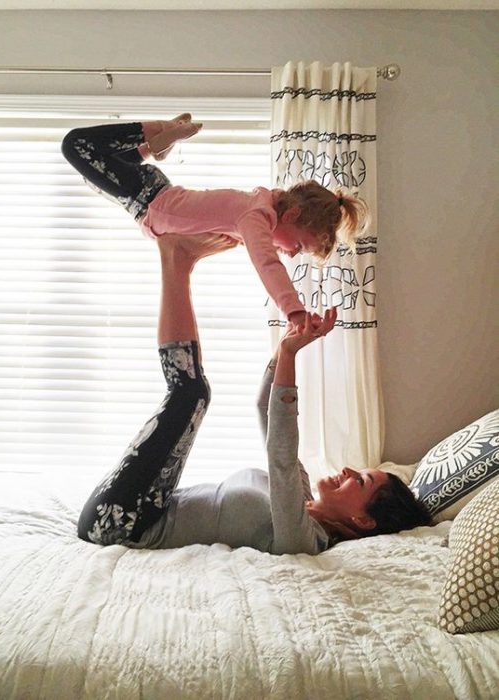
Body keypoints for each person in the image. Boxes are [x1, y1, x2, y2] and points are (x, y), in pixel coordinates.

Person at [77, 233, 431, 555]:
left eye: (361, 481)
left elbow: (281, 452)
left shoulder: (303, 539)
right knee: (192, 393)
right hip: (144, 503)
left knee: (191, 394)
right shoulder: (302, 498)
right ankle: (178, 261)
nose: (349, 470)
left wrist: (291, 355)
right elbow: (266, 410)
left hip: (119, 524)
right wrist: (285, 348)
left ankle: (177, 260)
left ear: (364, 521)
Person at [61, 115, 370, 329]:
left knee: (99, 167)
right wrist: (294, 311)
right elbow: (267, 264)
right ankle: (158, 130)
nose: (290, 253)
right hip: (146, 197)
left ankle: (151, 147)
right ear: (291, 215)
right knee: (75, 145)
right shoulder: (255, 217)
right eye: (299, 245)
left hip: (149, 193)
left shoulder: (258, 207)